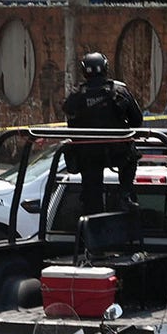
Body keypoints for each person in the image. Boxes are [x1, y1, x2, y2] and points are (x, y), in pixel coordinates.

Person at [62, 52, 144, 215]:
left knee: (91, 197)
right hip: (118, 152)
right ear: (105, 68)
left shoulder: (77, 95)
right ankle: (125, 194)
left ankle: (93, 217)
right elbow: (137, 120)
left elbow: (70, 119)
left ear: (84, 71)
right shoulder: (119, 91)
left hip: (88, 153)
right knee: (131, 157)